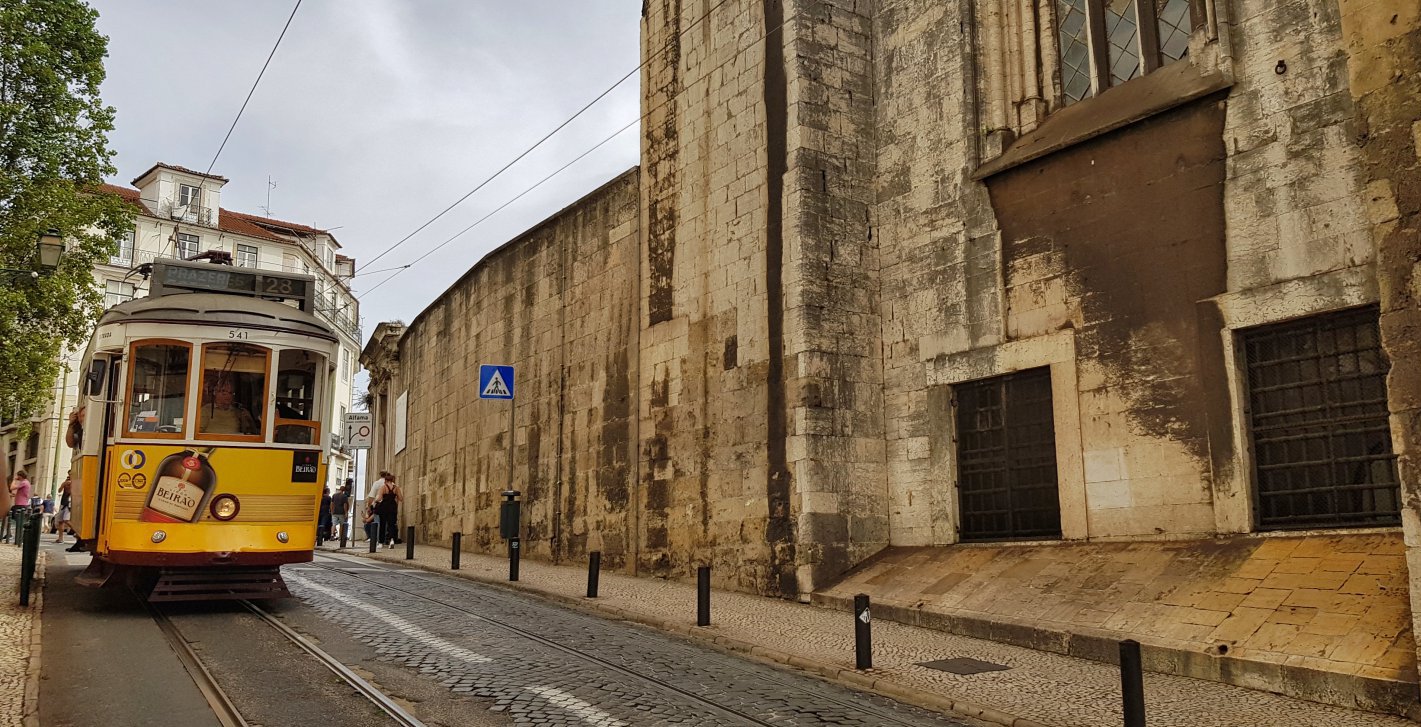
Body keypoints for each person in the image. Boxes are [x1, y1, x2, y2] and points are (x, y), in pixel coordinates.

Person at [375, 473, 402, 548]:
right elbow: (401, 498)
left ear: (385, 480)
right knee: (392, 524)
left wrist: (375, 501)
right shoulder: (396, 488)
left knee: (382, 525)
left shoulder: (383, 487)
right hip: (393, 507)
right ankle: (391, 540)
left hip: (384, 507)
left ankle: (381, 542)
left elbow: (379, 498)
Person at [54, 478, 73, 545]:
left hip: (69, 504)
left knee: (66, 520)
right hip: (63, 503)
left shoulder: (74, 483)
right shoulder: (65, 482)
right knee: (60, 521)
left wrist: (69, 486)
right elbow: (59, 490)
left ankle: (77, 531)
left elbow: (72, 492)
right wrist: (63, 485)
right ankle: (60, 538)